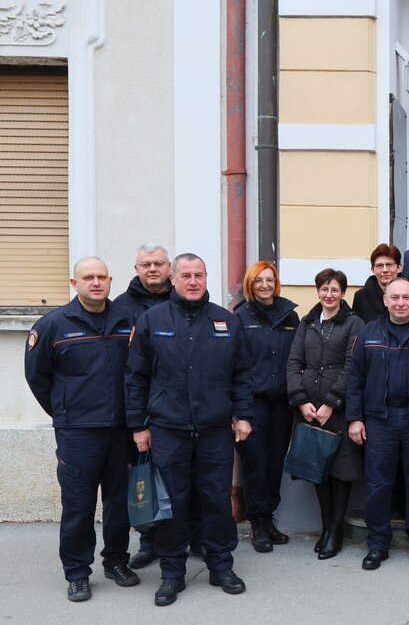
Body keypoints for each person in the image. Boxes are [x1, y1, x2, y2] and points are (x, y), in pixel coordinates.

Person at [125, 253, 254, 606]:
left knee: (216, 498)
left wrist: (243, 415)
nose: (193, 281)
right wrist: (138, 426)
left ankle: (221, 566)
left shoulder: (226, 321)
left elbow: (242, 375)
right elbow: (135, 378)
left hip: (215, 430)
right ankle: (171, 573)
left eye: (199, 274)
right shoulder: (152, 320)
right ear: (173, 279)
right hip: (168, 429)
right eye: (186, 275)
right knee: (173, 502)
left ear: (206, 277)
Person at [25, 257, 139, 602]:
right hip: (79, 433)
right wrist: (65, 411)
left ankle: (116, 560)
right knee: (78, 504)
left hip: (121, 430)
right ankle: (77, 571)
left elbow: (140, 371)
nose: (96, 282)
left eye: (102, 276)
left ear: (110, 280)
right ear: (74, 283)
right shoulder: (53, 325)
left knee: (119, 502)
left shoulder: (127, 320)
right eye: (88, 277)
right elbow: (38, 378)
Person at [346, 278, 409, 570]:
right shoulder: (368, 333)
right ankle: (378, 543)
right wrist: (355, 418)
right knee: (378, 484)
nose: (401, 302)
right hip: (380, 420)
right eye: (395, 297)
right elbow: (355, 381)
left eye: (406, 297)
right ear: (386, 301)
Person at [113, 243, 192, 570]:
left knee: (183, 479)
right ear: (136, 269)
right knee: (144, 479)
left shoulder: (182, 301)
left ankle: (193, 537)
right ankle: (149, 541)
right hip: (137, 409)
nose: (152, 269)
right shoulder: (120, 306)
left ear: (169, 269)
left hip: (175, 411)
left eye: (159, 263)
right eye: (145, 264)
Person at [286, 268, 365, 560]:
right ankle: (325, 527)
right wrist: (301, 401)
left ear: (343, 293)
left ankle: (336, 531)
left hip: (338, 409)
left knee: (339, 471)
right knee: (318, 470)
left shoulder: (354, 323)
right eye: (323, 289)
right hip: (308, 408)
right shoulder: (307, 322)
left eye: (334, 290)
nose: (328, 295)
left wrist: (332, 402)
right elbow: (293, 362)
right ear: (317, 291)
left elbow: (352, 365)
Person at [233, 261, 300, 552]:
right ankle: (257, 522)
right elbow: (233, 364)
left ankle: (269, 517)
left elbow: (297, 359)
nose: (264, 285)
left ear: (276, 283)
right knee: (255, 463)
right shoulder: (239, 317)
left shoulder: (290, 316)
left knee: (275, 463)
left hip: (282, 403)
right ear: (251, 283)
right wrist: (238, 410)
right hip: (252, 403)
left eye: (269, 280)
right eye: (258, 280)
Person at [352, 243, 402, 324]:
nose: (385, 270)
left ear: (399, 268)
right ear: (373, 270)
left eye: (389, 265)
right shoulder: (361, 297)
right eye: (379, 266)